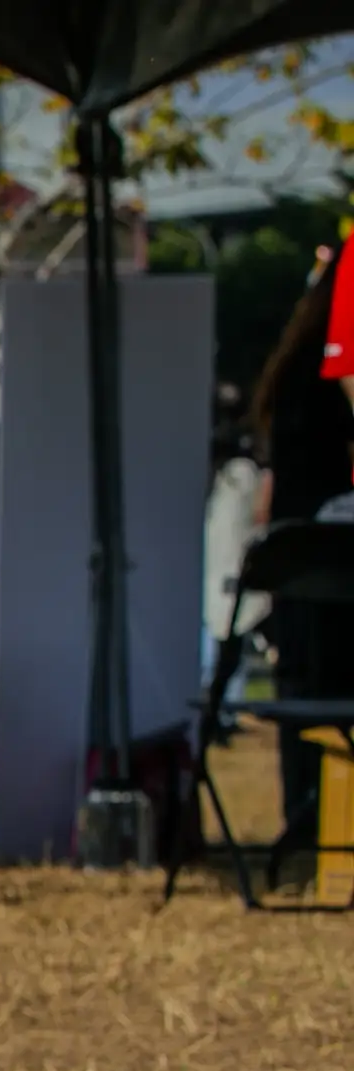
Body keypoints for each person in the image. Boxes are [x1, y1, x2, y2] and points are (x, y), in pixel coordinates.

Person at [249, 258, 354, 847]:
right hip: (327, 561)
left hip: (298, 563)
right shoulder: (326, 381)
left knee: (301, 688)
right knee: (324, 689)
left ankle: (306, 818)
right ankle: (320, 823)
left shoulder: (291, 370)